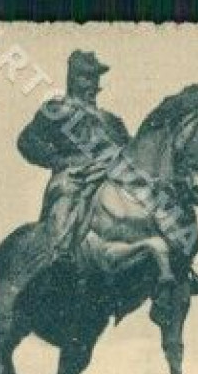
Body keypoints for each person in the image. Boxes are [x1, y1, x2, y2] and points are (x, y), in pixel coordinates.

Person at [16, 50, 132, 265]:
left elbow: (131, 151)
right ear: (73, 78)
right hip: (74, 176)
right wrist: (57, 160)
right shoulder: (56, 109)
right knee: (66, 198)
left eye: (95, 78)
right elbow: (26, 141)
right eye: (86, 77)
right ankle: (59, 256)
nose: (93, 83)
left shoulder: (111, 120)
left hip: (112, 177)